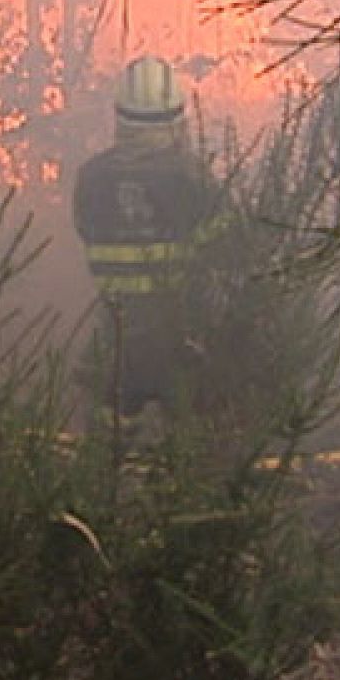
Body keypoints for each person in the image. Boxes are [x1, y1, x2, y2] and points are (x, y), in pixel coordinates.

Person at [71, 56, 222, 424]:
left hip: (115, 336)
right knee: (190, 439)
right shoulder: (192, 177)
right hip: (179, 338)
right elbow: (224, 247)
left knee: (110, 440)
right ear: (177, 118)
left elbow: (85, 230)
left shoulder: (91, 177)